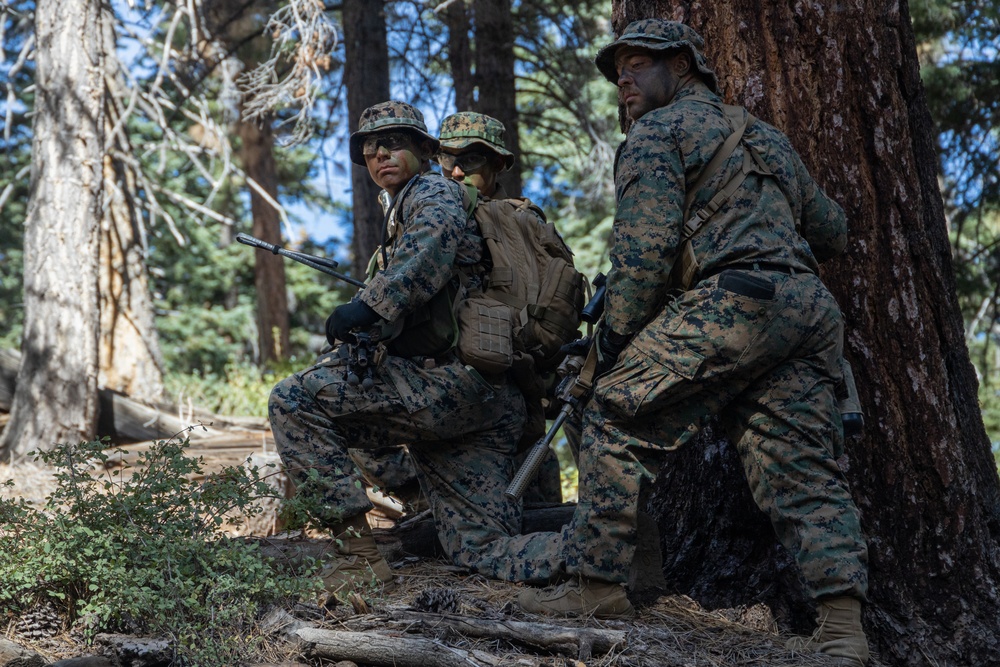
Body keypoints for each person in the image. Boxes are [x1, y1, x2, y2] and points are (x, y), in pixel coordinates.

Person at [514, 18, 870, 667]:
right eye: (617, 69)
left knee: (613, 408)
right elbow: (833, 229)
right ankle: (844, 631)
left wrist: (615, 336)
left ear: (683, 67)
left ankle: (597, 589)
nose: (623, 78)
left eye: (638, 64)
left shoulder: (656, 132)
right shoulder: (765, 138)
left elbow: (643, 251)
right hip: (808, 310)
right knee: (799, 470)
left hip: (733, 300)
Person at [268, 101, 527, 599]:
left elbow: (429, 250)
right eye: (369, 149)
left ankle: (357, 560)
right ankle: (594, 559)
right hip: (480, 394)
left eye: (394, 143)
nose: (380, 154)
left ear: (425, 151)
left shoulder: (431, 191)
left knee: (294, 400)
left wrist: (366, 307)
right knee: (482, 549)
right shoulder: (411, 205)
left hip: (448, 385)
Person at [350, 111, 565, 506]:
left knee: (525, 499)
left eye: (473, 160)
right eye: (447, 160)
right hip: (441, 385)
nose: (457, 172)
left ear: (498, 165)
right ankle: (424, 501)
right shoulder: (417, 215)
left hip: (496, 384)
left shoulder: (516, 226)